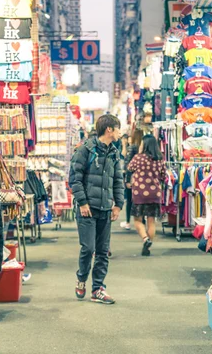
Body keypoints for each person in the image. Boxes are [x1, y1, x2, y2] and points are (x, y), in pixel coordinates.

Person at [68, 114, 124, 304]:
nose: (119, 132)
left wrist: (118, 204)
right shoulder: (85, 150)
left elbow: (118, 180)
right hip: (87, 209)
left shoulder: (114, 153)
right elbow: (74, 178)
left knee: (103, 251)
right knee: (88, 248)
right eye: (117, 128)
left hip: (105, 209)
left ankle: (98, 288)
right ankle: (82, 279)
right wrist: (82, 202)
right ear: (109, 130)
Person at [127, 135, 166, 256]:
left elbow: (129, 168)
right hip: (155, 194)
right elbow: (164, 176)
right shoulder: (160, 159)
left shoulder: (138, 158)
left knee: (138, 220)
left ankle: (145, 239)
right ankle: (148, 246)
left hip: (139, 194)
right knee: (151, 221)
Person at [121, 128, 144, 230]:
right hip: (142, 178)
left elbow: (128, 163)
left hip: (132, 177)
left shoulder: (132, 147)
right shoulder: (144, 149)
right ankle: (142, 221)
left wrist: (127, 178)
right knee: (141, 200)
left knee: (130, 200)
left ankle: (127, 222)